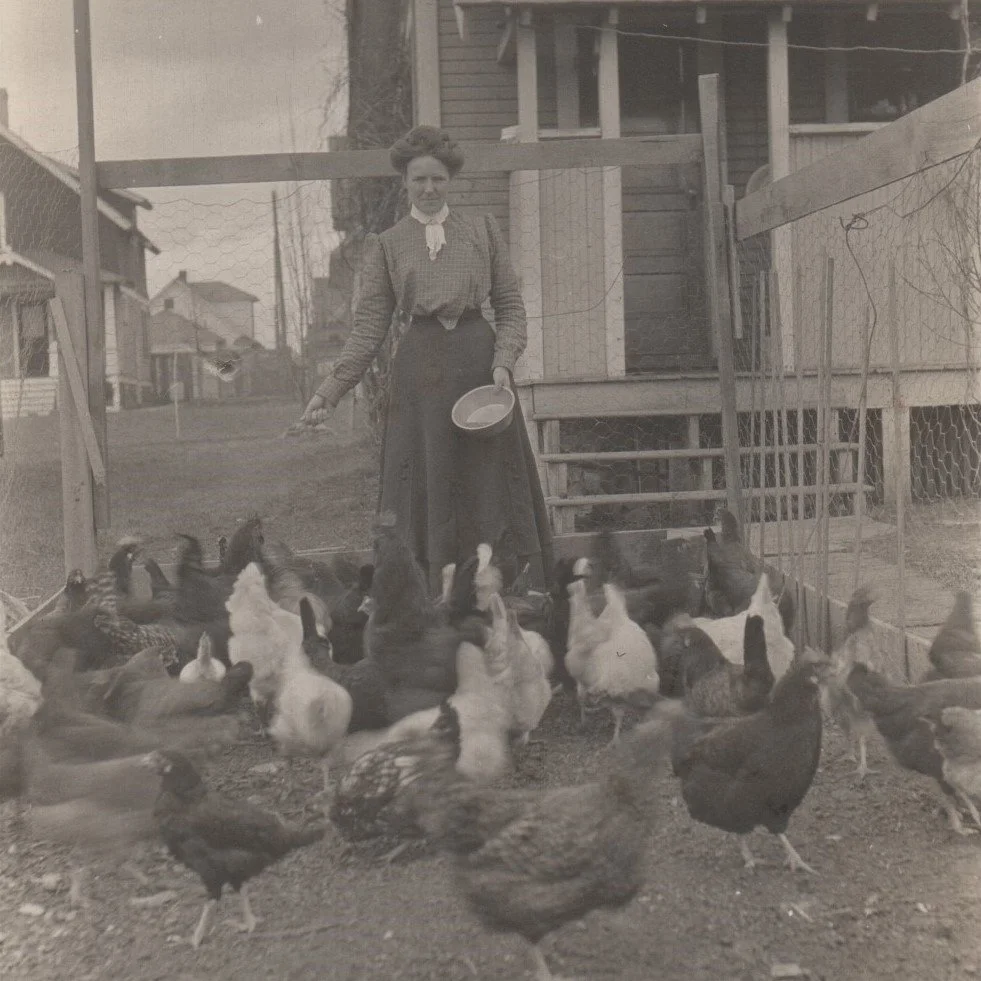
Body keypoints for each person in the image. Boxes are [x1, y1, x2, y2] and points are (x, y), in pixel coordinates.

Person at [299, 125, 553, 590]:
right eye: (419, 180)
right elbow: (369, 328)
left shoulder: (482, 230)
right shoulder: (387, 244)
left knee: (488, 484)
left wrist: (503, 361)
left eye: (437, 179)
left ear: (450, 180)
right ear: (405, 183)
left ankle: (501, 588)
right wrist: (329, 392)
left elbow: (512, 309)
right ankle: (433, 590)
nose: (429, 189)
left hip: (482, 374)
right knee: (427, 482)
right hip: (422, 377)